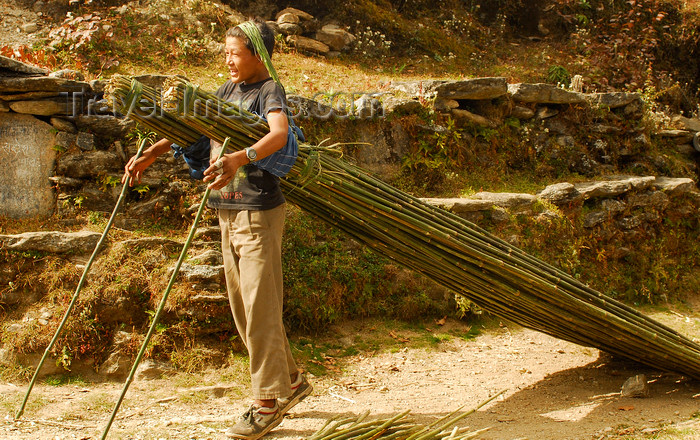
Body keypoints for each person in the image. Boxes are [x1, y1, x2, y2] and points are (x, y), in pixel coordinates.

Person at [121, 18, 312, 440]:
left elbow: (278, 135)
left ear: (257, 55)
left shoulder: (269, 92)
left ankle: (265, 404)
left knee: (260, 307)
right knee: (245, 310)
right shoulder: (226, 92)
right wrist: (150, 155)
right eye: (225, 52)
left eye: (235, 53)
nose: (228, 60)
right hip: (226, 210)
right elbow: (190, 133)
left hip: (258, 213)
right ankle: (293, 381)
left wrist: (238, 159)